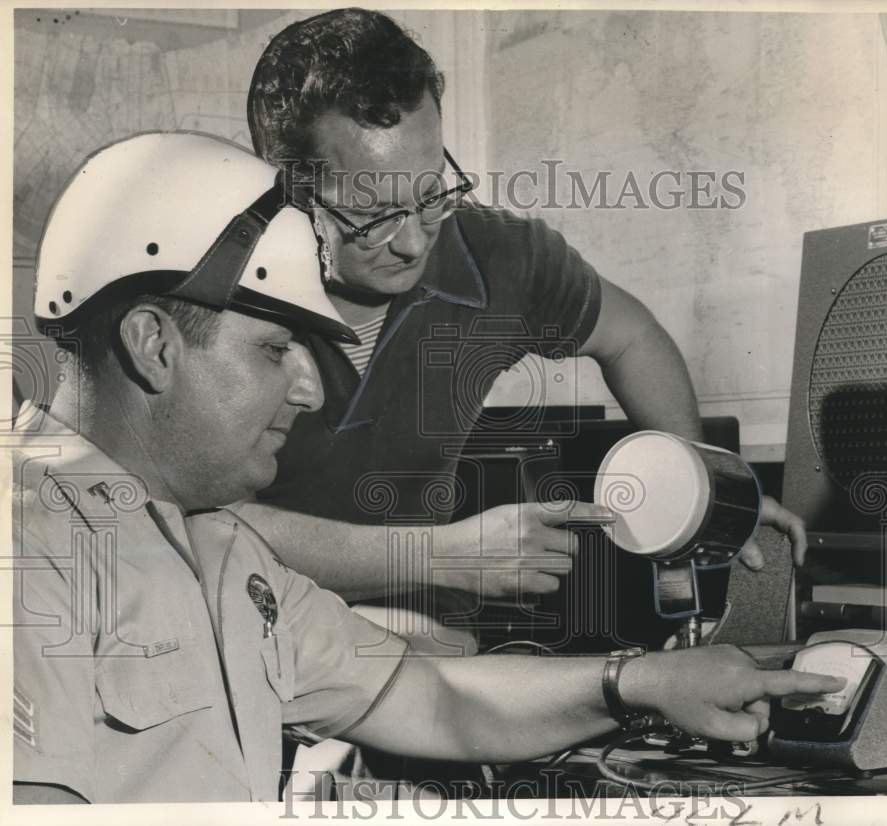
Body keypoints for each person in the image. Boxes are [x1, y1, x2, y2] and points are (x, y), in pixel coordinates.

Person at [11, 131, 843, 804]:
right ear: (153, 345)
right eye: (273, 350)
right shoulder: (28, 563)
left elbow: (435, 703)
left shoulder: (219, 554)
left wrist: (646, 680)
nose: (306, 388)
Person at [241, 9, 809, 647]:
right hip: (255, 639)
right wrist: (437, 557)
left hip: (429, 651)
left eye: (431, 194)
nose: (412, 241)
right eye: (373, 213)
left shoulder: (493, 251)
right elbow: (200, 527)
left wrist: (704, 489)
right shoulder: (215, 294)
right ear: (288, 188)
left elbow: (632, 337)